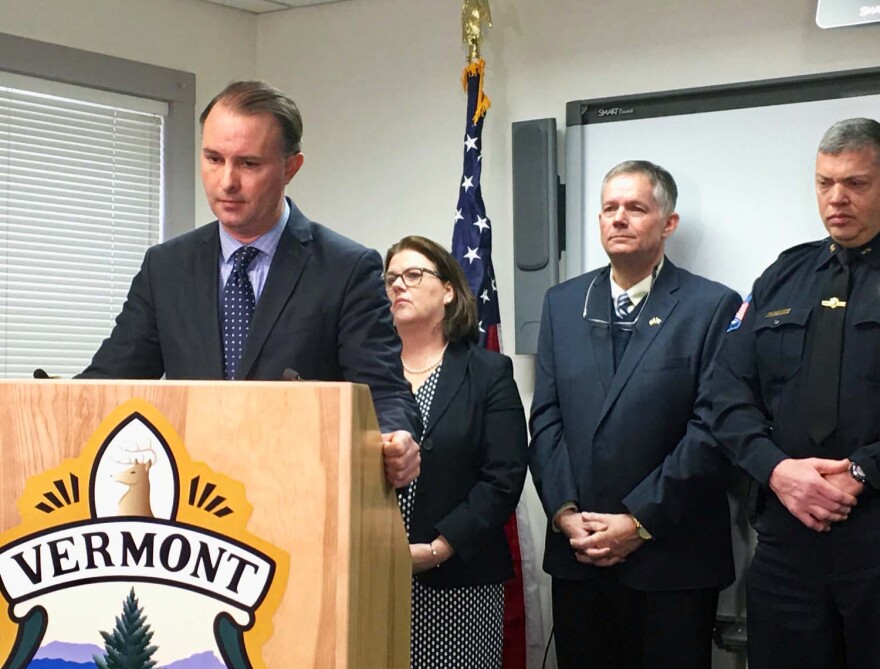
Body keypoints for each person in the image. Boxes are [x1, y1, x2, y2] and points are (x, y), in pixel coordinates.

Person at [79, 80, 420, 488]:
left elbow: (382, 394)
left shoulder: (345, 269)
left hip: (300, 493)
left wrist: (396, 439)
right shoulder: (166, 268)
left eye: (248, 164)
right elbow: (108, 383)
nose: (226, 181)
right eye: (213, 158)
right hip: (192, 505)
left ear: (290, 168)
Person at [529, 160, 740, 669]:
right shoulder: (562, 303)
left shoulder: (711, 305)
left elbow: (710, 430)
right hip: (582, 554)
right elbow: (547, 419)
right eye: (609, 208)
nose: (619, 218)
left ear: (668, 223)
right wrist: (564, 514)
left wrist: (638, 520)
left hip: (672, 558)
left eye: (635, 208)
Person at [710, 117, 880, 669]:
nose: (837, 199)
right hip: (787, 536)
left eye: (856, 183)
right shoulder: (784, 276)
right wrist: (777, 470)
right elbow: (726, 391)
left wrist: (862, 472)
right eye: (824, 183)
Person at [384, 235, 527, 669]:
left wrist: (438, 549)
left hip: (458, 578)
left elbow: (503, 476)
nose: (398, 286)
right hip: (372, 578)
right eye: (390, 279)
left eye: (413, 275)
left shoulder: (487, 372)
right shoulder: (365, 371)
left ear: (448, 291)